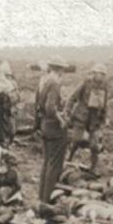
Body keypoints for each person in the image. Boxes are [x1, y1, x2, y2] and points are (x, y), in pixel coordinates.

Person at [38, 57, 71, 206]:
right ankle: (48, 200)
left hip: (45, 125)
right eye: (62, 70)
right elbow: (50, 107)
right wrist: (62, 120)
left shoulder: (43, 82)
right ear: (59, 69)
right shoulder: (55, 83)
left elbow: (40, 106)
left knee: (46, 163)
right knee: (54, 165)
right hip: (54, 128)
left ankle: (41, 198)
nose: (63, 73)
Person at [67, 63, 109, 172]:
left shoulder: (104, 86)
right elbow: (72, 97)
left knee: (95, 146)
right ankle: (69, 158)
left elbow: (104, 104)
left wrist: (103, 119)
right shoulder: (85, 83)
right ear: (94, 74)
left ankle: (93, 167)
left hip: (94, 120)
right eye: (98, 74)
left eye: (102, 74)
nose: (100, 76)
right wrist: (68, 110)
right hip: (81, 116)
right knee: (76, 140)